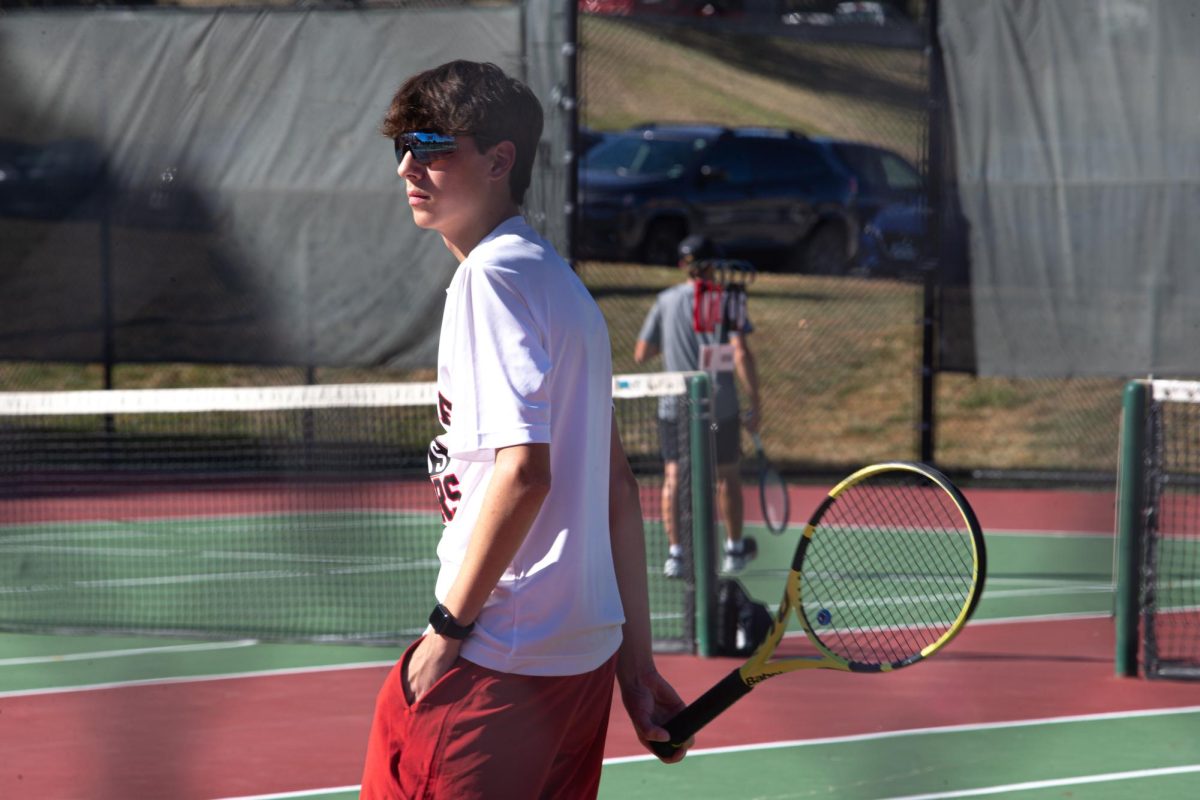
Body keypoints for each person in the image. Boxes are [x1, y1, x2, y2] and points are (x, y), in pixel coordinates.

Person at [360, 61, 690, 799]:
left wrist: (446, 632)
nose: (409, 166)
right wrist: (636, 670)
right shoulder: (560, 283)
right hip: (580, 667)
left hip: (496, 659)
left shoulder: (492, 278)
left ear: (500, 159)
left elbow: (524, 471)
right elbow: (616, 486)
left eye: (432, 145)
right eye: (402, 148)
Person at [634, 235, 762, 578]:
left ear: (682, 266)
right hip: (719, 405)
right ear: (711, 265)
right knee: (727, 474)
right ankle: (734, 550)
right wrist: (756, 403)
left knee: (674, 475)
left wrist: (677, 345)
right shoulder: (727, 299)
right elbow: (740, 351)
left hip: (676, 404)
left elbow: (642, 352)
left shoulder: (666, 300)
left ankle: (676, 555)